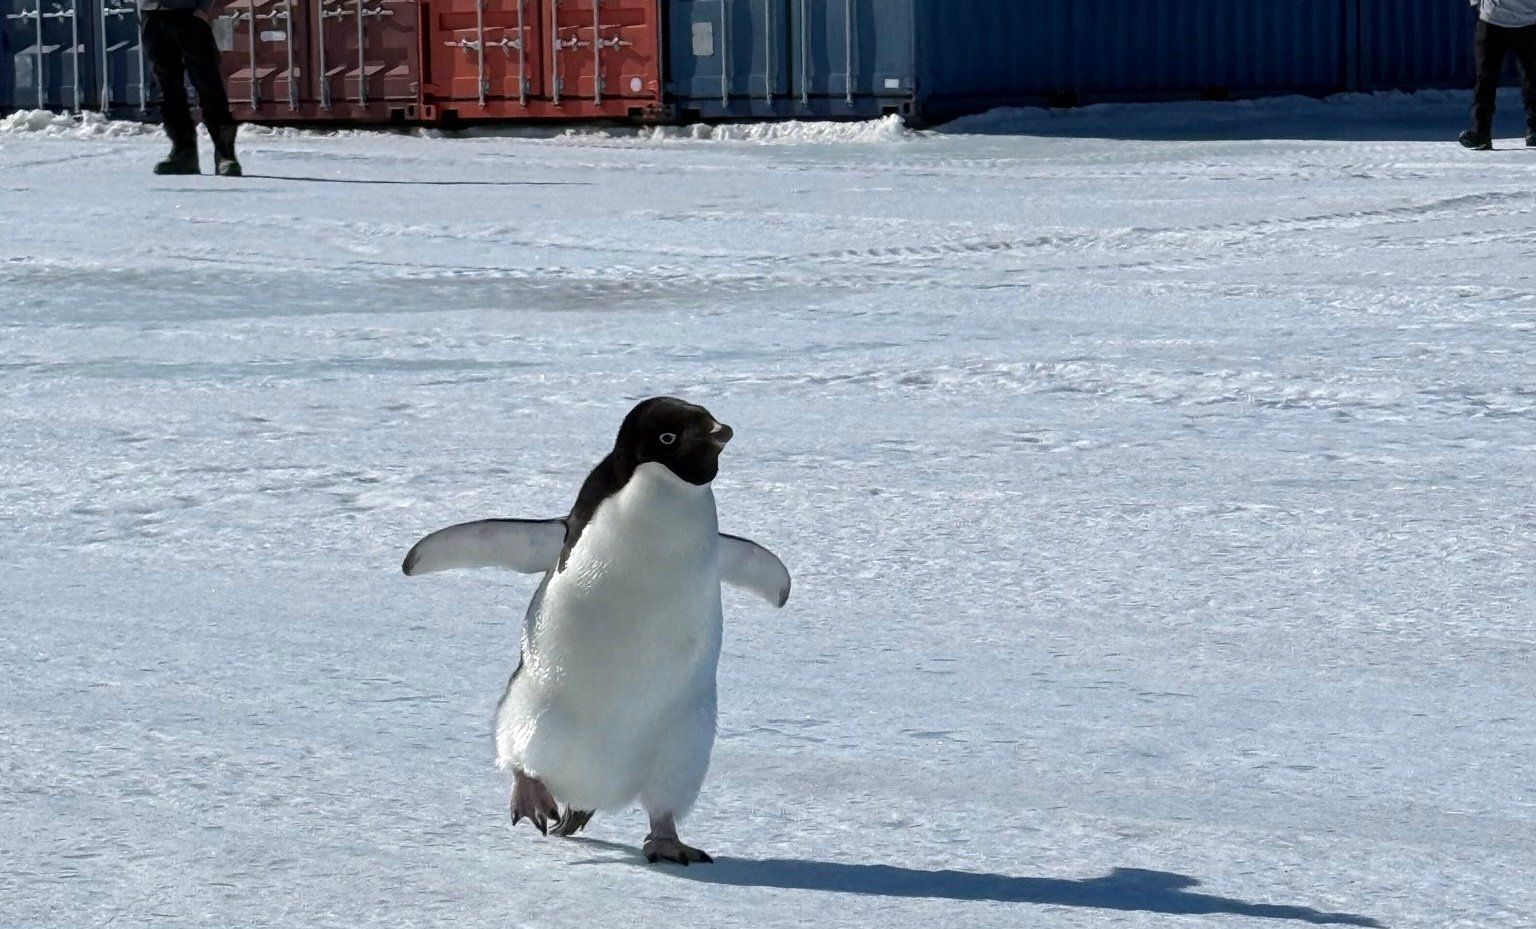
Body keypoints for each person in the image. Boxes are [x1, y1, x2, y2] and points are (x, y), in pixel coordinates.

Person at [140, 0, 242, 175]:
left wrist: (204, 9)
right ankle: (183, 153)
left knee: (208, 84)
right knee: (167, 87)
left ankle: (225, 154)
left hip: (189, 12)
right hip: (152, 13)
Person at [1461, 0, 1536, 149]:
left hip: (1529, 23)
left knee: (1532, 79)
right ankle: (1481, 134)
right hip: (1491, 21)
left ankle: (1534, 130)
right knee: (1485, 79)